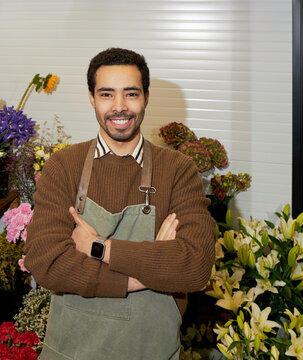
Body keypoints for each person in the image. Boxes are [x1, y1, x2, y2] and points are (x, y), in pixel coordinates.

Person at [23, 48, 216, 359]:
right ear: (91, 97)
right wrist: (150, 273)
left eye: (131, 94)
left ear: (146, 97)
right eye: (107, 94)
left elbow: (194, 267)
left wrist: (100, 247)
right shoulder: (64, 165)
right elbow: (46, 263)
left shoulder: (178, 169)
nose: (119, 107)